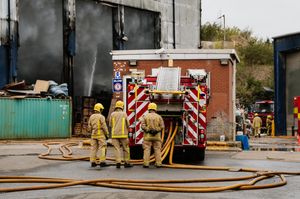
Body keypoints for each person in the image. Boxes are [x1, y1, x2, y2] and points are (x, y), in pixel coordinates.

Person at [109, 100, 133, 169]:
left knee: (117, 149)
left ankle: (118, 162)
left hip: (114, 135)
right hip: (123, 135)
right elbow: (128, 124)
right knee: (126, 149)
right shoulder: (124, 114)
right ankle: (126, 163)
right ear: (122, 106)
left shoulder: (112, 114)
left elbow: (110, 124)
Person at [140, 102, 165, 168]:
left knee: (147, 149)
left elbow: (142, 126)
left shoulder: (145, 116)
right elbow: (162, 126)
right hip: (157, 137)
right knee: (157, 149)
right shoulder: (159, 116)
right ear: (155, 109)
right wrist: (156, 130)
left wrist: (148, 130)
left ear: (149, 109)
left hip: (147, 137)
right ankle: (158, 163)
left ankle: (146, 164)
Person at [87, 103, 109, 167]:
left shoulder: (91, 116)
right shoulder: (101, 117)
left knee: (93, 148)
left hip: (93, 134)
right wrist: (107, 134)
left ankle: (93, 162)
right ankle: (102, 162)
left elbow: (89, 126)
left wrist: (92, 132)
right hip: (100, 135)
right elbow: (104, 126)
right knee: (102, 147)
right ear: (100, 109)